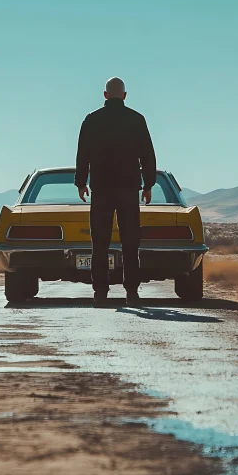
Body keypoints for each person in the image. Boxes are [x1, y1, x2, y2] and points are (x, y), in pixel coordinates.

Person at [74, 77, 156, 307]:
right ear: (125, 95)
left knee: (100, 243)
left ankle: (100, 293)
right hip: (128, 189)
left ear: (105, 95)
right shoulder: (136, 119)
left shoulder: (92, 120)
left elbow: (82, 154)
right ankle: (132, 293)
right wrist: (148, 185)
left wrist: (81, 182)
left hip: (101, 189)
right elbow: (147, 155)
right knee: (130, 242)